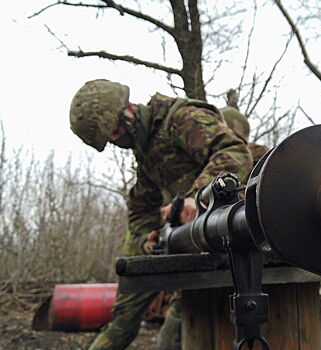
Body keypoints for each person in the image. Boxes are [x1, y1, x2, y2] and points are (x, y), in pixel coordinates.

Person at [69, 79, 253, 350]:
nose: (116, 139)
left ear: (129, 109)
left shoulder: (180, 119)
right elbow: (141, 209)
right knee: (125, 316)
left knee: (176, 333)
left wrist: (198, 196)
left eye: (116, 130)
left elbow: (235, 152)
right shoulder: (145, 152)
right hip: (181, 240)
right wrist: (147, 238)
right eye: (109, 139)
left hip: (222, 237)